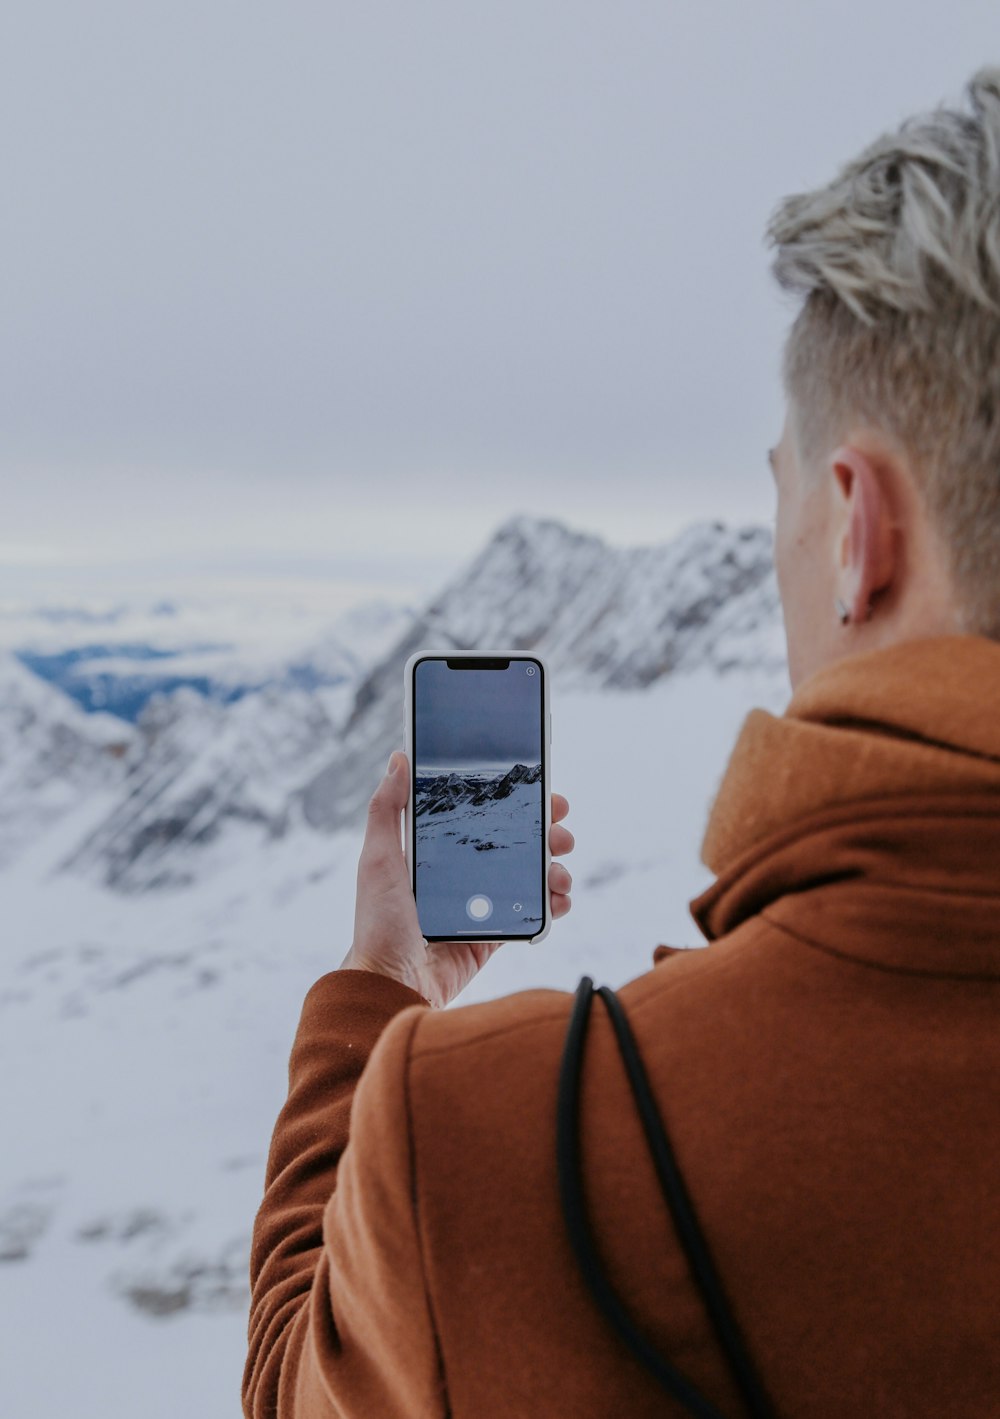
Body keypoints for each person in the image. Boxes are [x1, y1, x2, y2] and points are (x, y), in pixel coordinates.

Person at [243, 66, 1000, 1418]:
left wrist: (380, 986)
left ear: (858, 532)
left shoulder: (500, 1145)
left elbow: (295, 1389)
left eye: (785, 511)